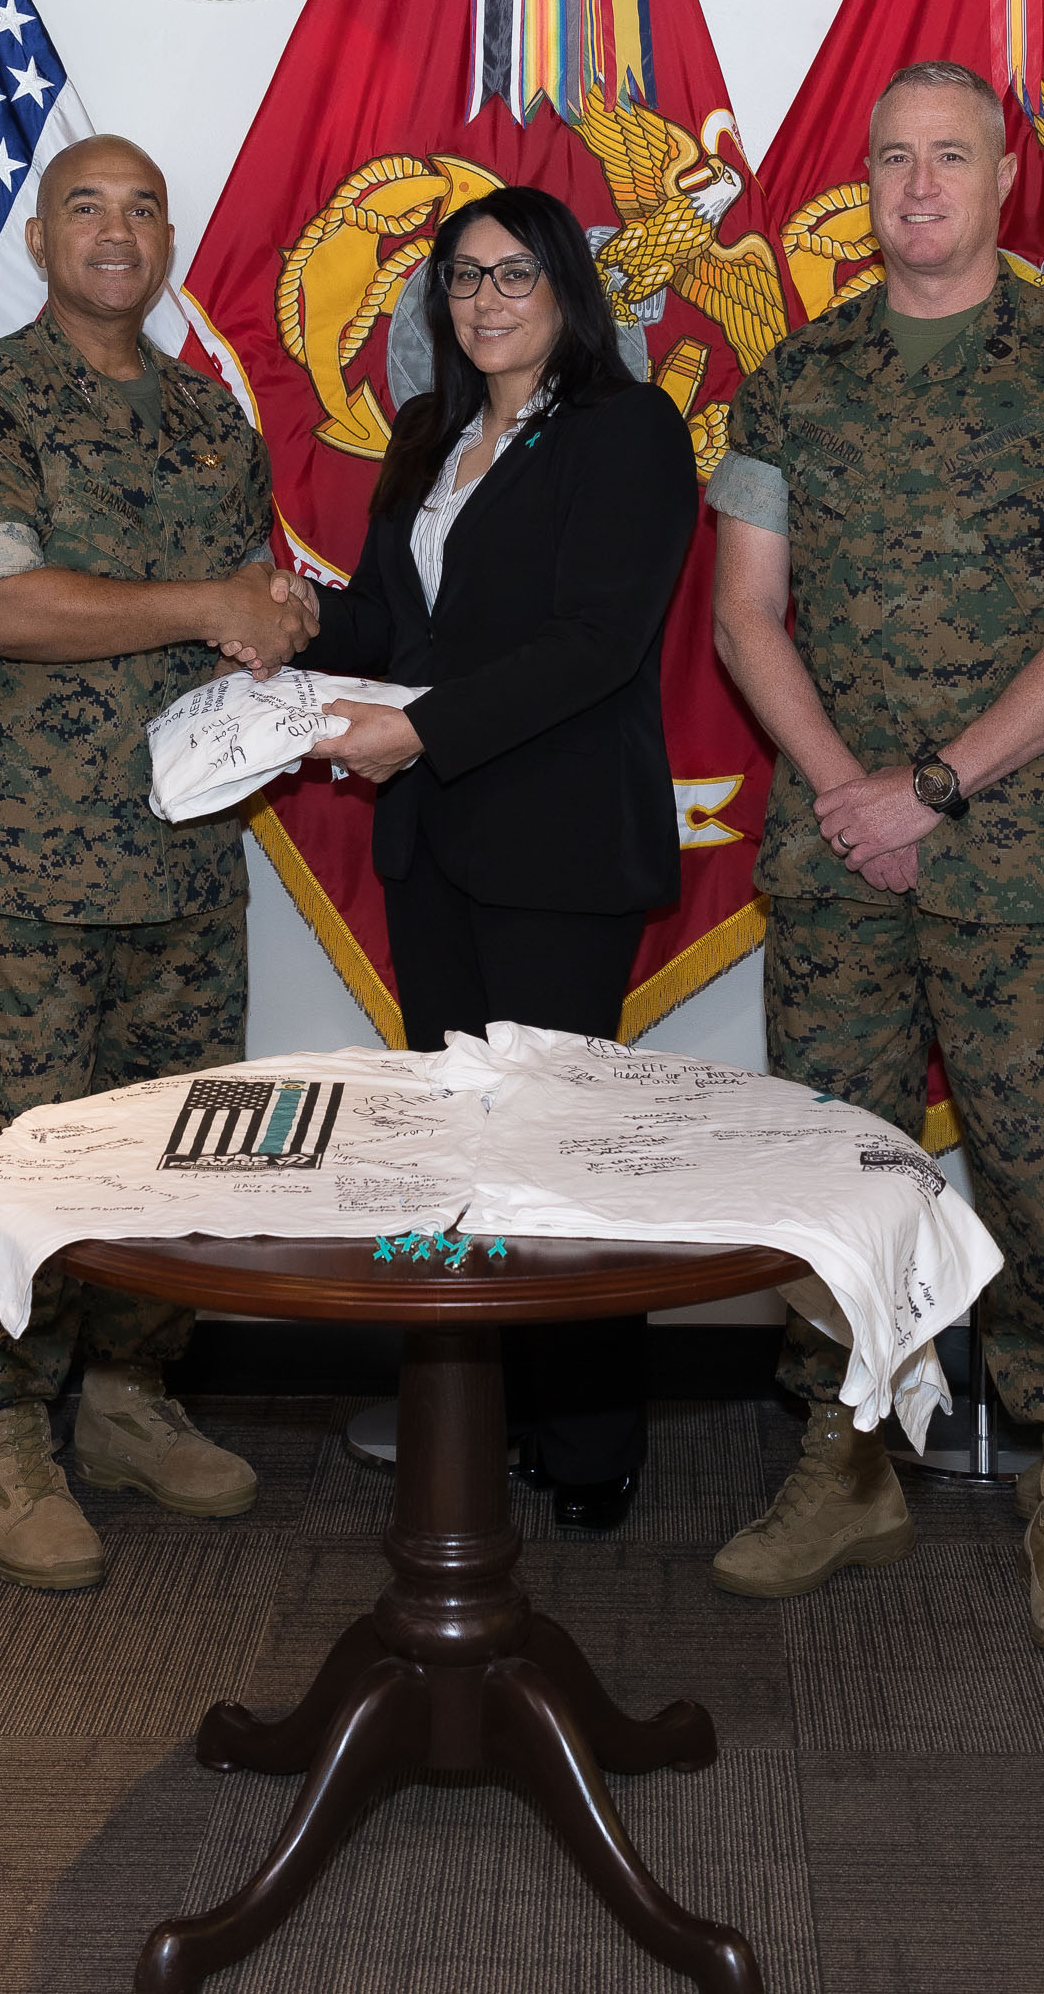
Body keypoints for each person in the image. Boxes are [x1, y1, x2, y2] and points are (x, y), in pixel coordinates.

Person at [705, 60, 1044, 1654]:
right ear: (867, 183)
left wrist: (934, 788)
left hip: (1029, 860)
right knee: (834, 1184)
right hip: (840, 859)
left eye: (951, 157)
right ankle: (846, 1463)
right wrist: (848, 792)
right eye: (894, 159)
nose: (919, 186)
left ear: (1003, 182)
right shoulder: (794, 375)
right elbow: (742, 614)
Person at [0, 136, 316, 1592]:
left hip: (183, 867)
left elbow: (236, 620)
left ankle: (134, 1400)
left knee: (177, 1156)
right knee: (15, 1165)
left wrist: (273, 621)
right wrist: (208, 597)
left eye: (145, 206)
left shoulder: (212, 421)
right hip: (11, 874)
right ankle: (6, 1434)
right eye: (87, 205)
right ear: (39, 238)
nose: (118, 230)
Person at [295, 186, 701, 1531]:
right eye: (462, 279)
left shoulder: (626, 431)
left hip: (557, 845)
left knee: (557, 1155)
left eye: (513, 275)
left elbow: (597, 644)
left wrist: (418, 737)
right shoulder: (429, 435)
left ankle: (590, 1444)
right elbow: (403, 630)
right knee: (458, 1159)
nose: (483, 301)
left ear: (569, 292)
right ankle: (487, 1418)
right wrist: (286, 626)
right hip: (435, 849)